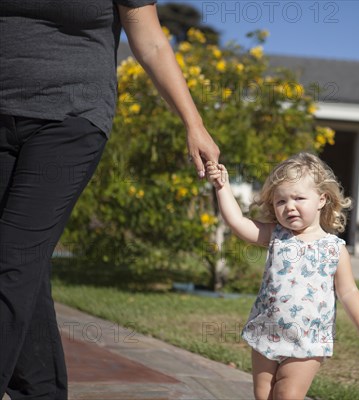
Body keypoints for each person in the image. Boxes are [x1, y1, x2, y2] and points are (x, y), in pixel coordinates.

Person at [0, 2, 219, 398]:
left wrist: (194, 123)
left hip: (71, 117)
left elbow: (150, 42)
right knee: (24, 267)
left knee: (10, 260)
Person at [207, 153, 359, 400]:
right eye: (281, 201)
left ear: (321, 199)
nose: (289, 206)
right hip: (267, 332)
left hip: (308, 340)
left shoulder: (334, 248)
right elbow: (237, 222)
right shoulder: (276, 235)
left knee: (287, 395)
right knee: (264, 396)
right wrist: (222, 186)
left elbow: (348, 291)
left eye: (298, 198)